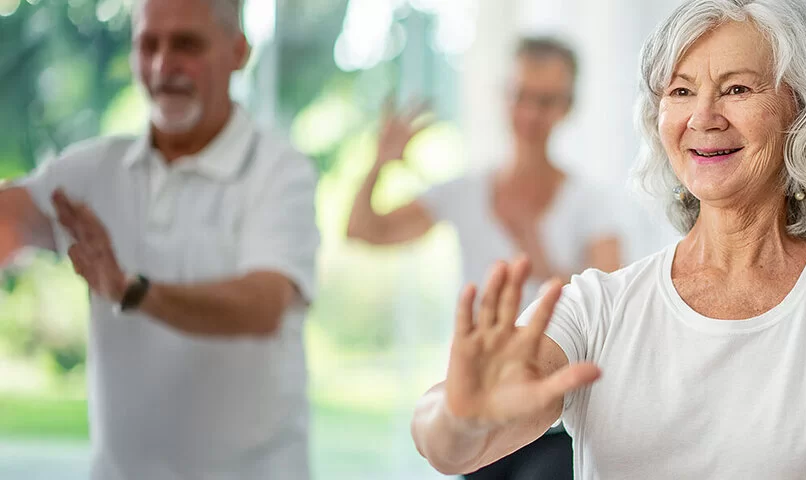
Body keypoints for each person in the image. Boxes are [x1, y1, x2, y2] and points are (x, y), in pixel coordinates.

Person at [408, 0, 806, 478]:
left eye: (737, 89)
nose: (702, 116)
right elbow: (446, 443)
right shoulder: (597, 307)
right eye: (681, 91)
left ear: (804, 109)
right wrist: (460, 417)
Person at [0, 0, 319, 478]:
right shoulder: (94, 169)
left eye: (186, 44)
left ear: (238, 51)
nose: (162, 65)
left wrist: (132, 290)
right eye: (148, 44)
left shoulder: (279, 171)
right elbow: (10, 221)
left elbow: (263, 306)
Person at [346, 36, 619, 480]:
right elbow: (363, 230)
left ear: (567, 107)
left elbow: (614, 300)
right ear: (504, 96)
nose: (530, 113)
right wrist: (379, 163)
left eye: (546, 101)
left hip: (556, 422)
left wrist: (541, 256)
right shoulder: (465, 191)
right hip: (480, 411)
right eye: (521, 96)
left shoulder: (590, 202)